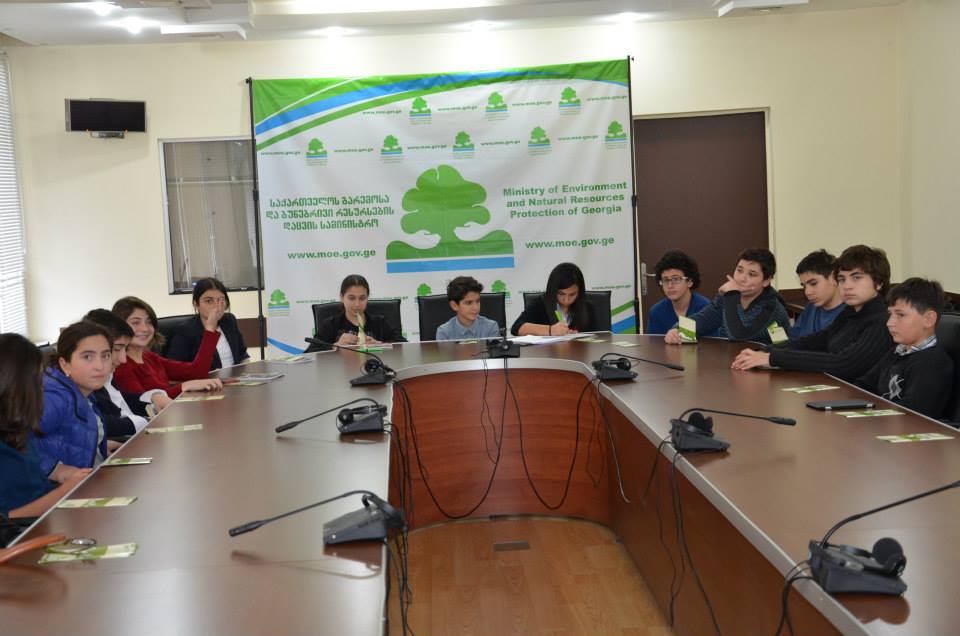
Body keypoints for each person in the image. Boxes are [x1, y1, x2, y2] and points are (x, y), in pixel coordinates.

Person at [731, 244, 894, 381]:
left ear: (879, 282)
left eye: (856, 277)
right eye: (842, 279)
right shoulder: (850, 312)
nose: (847, 286)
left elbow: (844, 364)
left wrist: (773, 358)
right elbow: (816, 341)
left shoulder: (882, 321)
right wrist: (765, 351)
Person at [1, 333, 91, 531]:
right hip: (21, 538)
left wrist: (64, 476)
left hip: (45, 525)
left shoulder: (18, 431)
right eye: (37, 380)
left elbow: (33, 488)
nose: (42, 387)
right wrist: (64, 492)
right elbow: (7, 520)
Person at [855, 278, 954, 419]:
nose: (889, 323)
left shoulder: (933, 363)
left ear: (928, 319)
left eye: (900, 315)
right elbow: (863, 386)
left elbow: (913, 414)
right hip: (883, 422)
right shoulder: (897, 352)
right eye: (890, 314)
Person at [31, 321, 115, 475]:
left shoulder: (83, 391)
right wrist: (56, 470)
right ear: (65, 364)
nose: (100, 366)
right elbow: (14, 444)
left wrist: (96, 446)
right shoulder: (53, 397)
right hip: (64, 489)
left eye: (105, 355)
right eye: (88, 357)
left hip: (92, 479)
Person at [664, 248, 790, 345]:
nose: (742, 278)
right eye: (739, 270)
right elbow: (704, 320)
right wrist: (678, 330)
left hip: (766, 367)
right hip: (734, 362)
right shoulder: (727, 298)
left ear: (766, 281)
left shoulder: (773, 308)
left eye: (752, 274)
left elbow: (740, 336)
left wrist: (731, 295)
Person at [112, 296, 223, 398]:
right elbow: (142, 403)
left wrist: (210, 327)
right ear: (119, 327)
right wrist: (184, 386)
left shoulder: (149, 357)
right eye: (136, 323)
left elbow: (197, 372)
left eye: (149, 322)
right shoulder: (120, 365)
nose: (145, 328)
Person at [84, 308, 161, 439]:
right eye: (117, 349)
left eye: (125, 349)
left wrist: (153, 397)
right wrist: (143, 422)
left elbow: (119, 399)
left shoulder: (107, 375)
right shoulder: (87, 381)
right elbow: (94, 422)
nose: (123, 359)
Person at [305, 275, 406, 352]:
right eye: (351, 298)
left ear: (367, 298)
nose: (357, 304)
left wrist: (380, 344)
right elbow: (310, 352)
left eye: (362, 298)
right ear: (342, 297)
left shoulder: (379, 322)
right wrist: (335, 346)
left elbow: (404, 345)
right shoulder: (331, 324)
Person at [166, 278, 250, 370]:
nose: (216, 306)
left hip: (236, 377)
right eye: (209, 301)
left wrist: (248, 374)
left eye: (221, 299)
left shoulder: (229, 320)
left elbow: (242, 355)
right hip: (206, 379)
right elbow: (175, 371)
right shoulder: (184, 331)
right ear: (196, 304)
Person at [511, 262, 598, 336]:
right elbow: (516, 328)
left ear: (579, 292)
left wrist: (577, 336)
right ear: (553, 290)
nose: (566, 300)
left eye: (572, 294)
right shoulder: (540, 304)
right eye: (561, 294)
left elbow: (597, 336)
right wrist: (550, 330)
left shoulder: (587, 308)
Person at [646, 250, 713, 335]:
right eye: (665, 280)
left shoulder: (706, 309)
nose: (670, 285)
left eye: (676, 279)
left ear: (689, 281)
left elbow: (713, 342)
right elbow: (654, 343)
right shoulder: (656, 312)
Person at [789, 249, 845, 338]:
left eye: (813, 283)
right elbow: (793, 338)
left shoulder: (851, 314)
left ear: (833, 277)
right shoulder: (811, 307)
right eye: (804, 286)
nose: (807, 292)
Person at [435, 276, 501, 341]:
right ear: (454, 305)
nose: (475, 308)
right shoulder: (444, 332)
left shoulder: (491, 327)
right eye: (469, 303)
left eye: (477, 301)